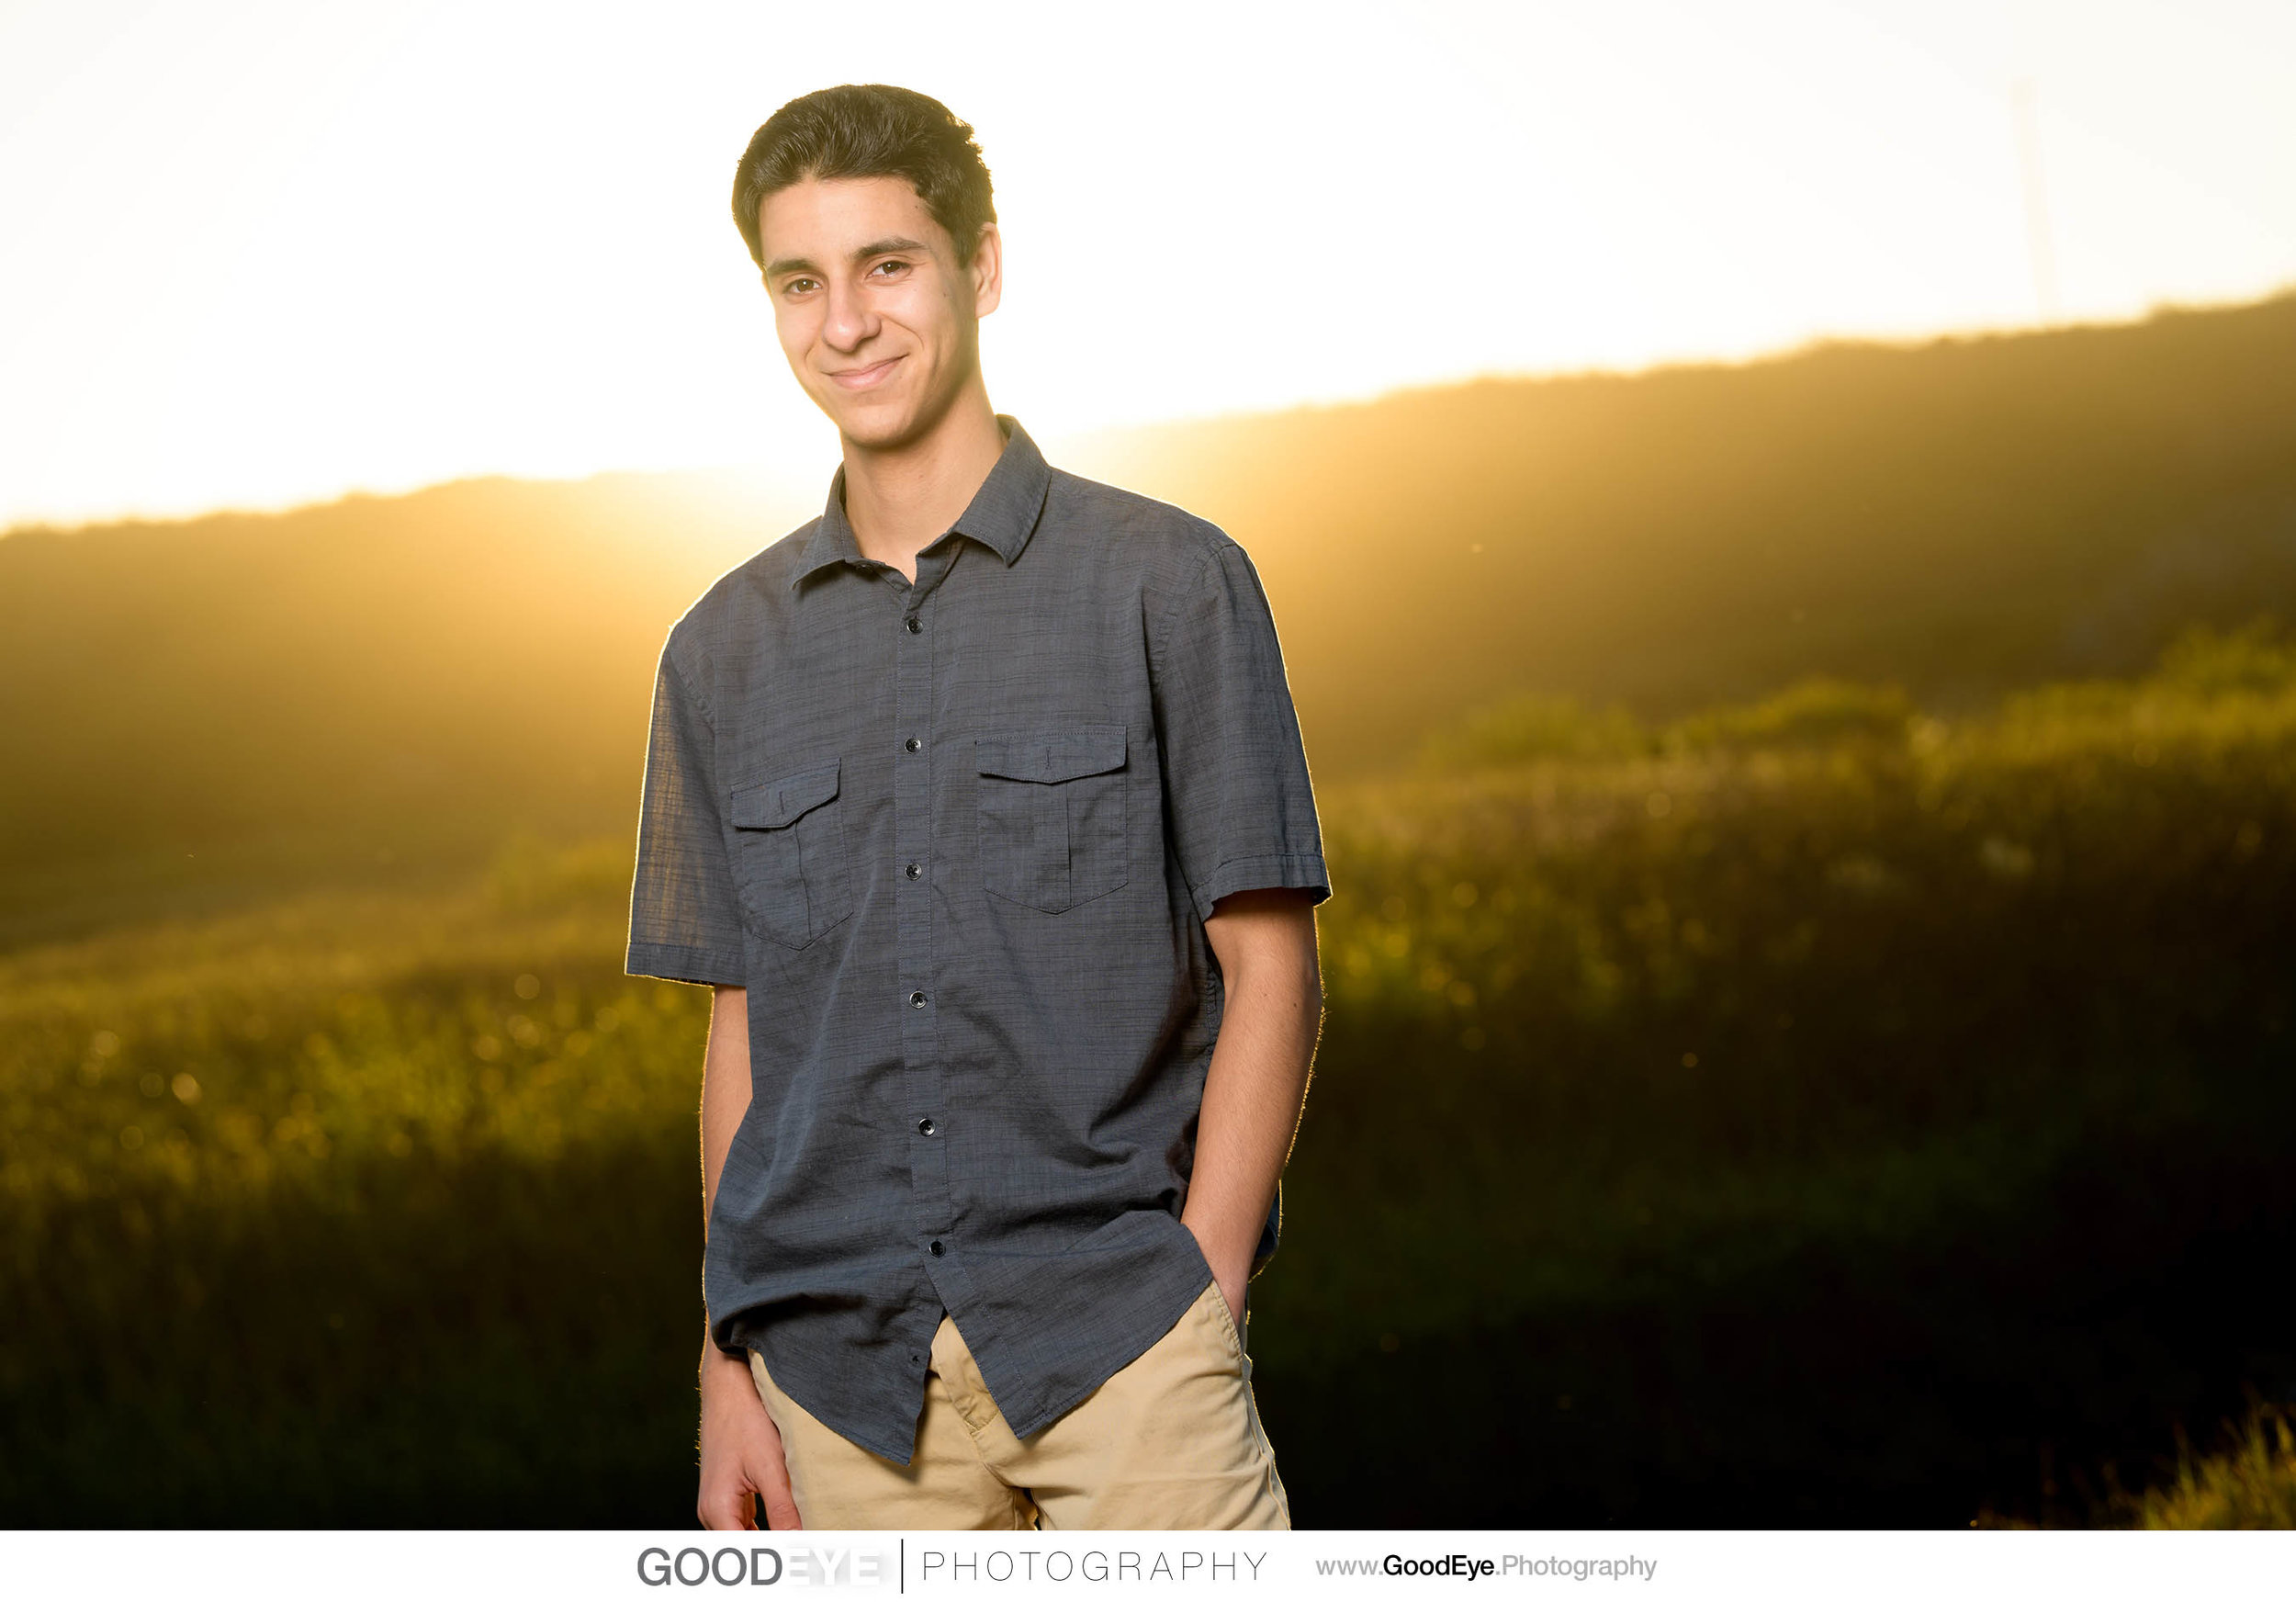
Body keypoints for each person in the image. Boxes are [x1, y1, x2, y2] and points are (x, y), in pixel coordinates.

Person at [625, 83, 1329, 1531]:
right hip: (839, 1384)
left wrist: (1202, 1287)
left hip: (1123, 1342)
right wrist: (724, 1366)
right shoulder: (717, 652)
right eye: (799, 282)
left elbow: (1272, 962)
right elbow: (751, 1027)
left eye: (888, 266)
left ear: (981, 269)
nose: (846, 323)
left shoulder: (1170, 583)